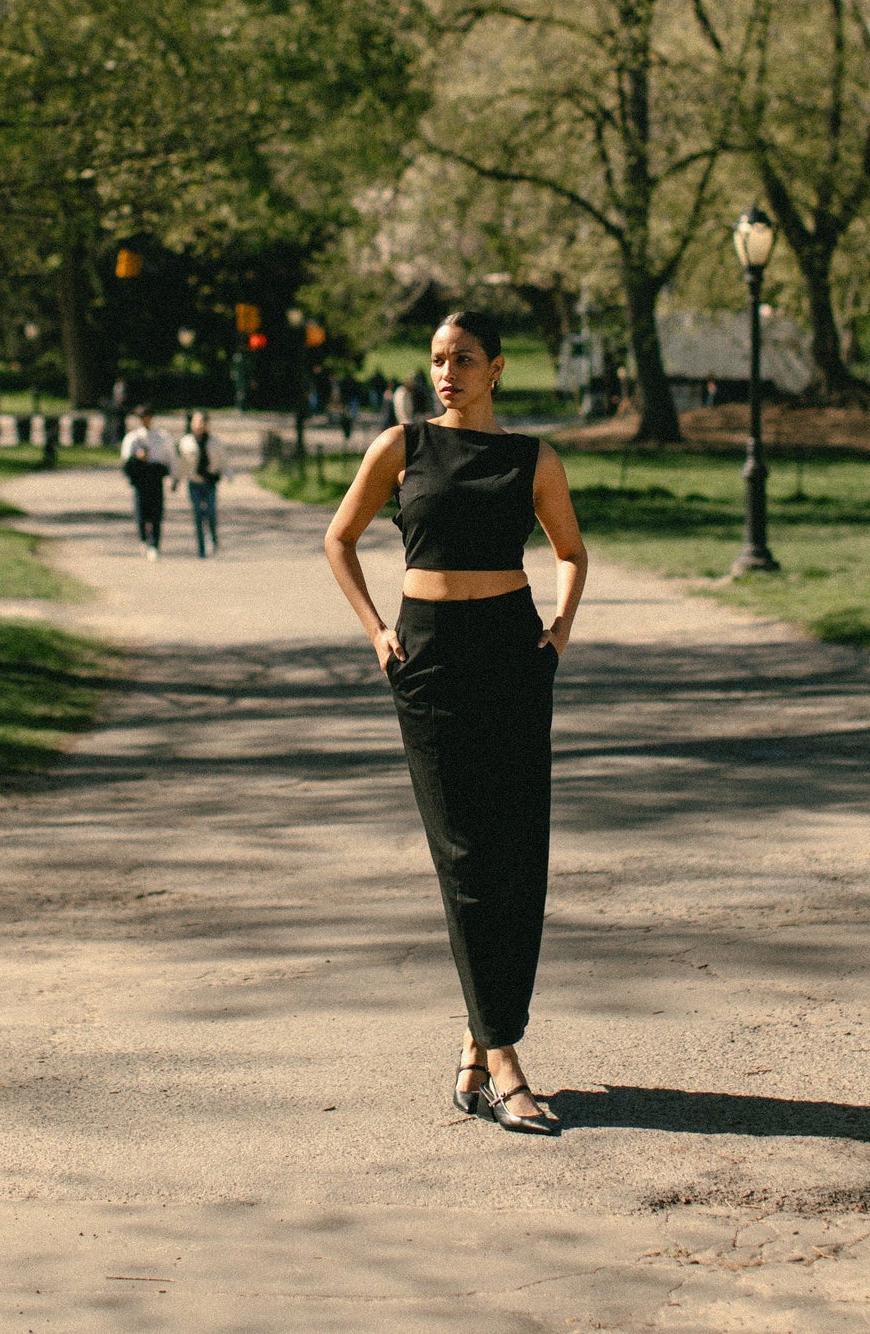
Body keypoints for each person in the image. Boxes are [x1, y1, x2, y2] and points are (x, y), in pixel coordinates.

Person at [325, 311, 587, 1137]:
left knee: (516, 851)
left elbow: (571, 550)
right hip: (431, 661)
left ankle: (480, 1041)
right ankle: (504, 1056)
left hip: (513, 655)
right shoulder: (401, 448)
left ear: (496, 367)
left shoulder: (530, 458)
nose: (447, 372)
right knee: (464, 853)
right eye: (438, 359)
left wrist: (559, 631)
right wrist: (376, 631)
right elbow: (340, 538)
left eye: (464, 359)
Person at [121, 406, 177, 559]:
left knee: (156, 513)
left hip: (155, 477)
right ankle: (143, 540)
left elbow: (170, 457)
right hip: (140, 478)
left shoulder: (162, 436)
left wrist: (173, 477)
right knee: (141, 512)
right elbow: (126, 461)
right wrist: (137, 458)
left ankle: (155, 543)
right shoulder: (133, 438)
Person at [178, 410, 226, 558]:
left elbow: (222, 460)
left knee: (211, 512)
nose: (199, 425)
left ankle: (212, 538)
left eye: (202, 422)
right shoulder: (186, 442)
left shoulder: (214, 442)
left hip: (210, 482)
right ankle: (201, 548)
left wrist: (222, 473)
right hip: (195, 482)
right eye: (196, 422)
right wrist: (176, 480)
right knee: (198, 514)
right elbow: (183, 464)